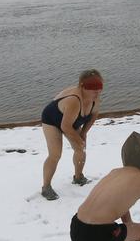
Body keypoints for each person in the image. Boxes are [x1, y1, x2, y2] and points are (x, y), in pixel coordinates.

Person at [40, 70, 103, 200]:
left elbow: (93, 116)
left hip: (71, 120)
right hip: (52, 120)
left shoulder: (94, 99)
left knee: (81, 149)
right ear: (82, 87)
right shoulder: (74, 100)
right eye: (93, 89)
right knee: (55, 154)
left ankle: (78, 177)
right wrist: (78, 139)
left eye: (99, 89)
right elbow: (65, 126)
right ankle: (46, 187)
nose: (97, 93)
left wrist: (84, 134)